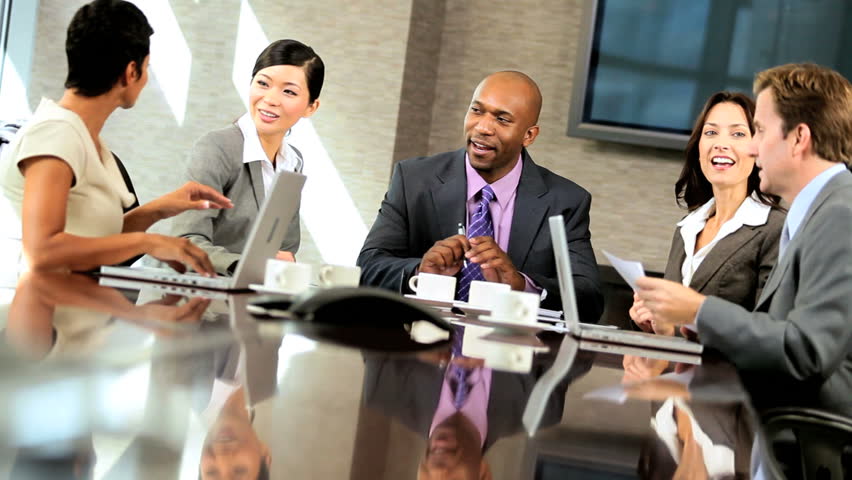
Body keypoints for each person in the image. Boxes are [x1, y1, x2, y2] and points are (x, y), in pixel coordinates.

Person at [636, 63, 852, 415]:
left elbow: (807, 353)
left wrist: (698, 310)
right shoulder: (817, 211)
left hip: (807, 440)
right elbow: (775, 333)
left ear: (799, 138)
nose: (752, 147)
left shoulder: (841, 213)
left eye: (759, 131)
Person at [0, 0, 232, 279]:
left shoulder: (86, 139)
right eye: (146, 68)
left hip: (77, 310)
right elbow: (43, 251)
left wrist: (159, 209)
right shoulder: (55, 134)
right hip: (36, 314)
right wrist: (150, 242)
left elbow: (95, 239)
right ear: (131, 72)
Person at [357, 71, 603, 317]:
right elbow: (367, 267)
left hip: (512, 351)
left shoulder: (565, 201)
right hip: (419, 344)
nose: (483, 127)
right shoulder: (413, 179)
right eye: (476, 111)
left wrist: (522, 286)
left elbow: (588, 299)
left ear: (529, 135)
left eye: (502, 119)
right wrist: (420, 273)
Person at [630, 92, 785, 335]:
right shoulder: (687, 227)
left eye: (738, 134)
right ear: (698, 147)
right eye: (711, 132)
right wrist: (651, 321)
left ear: (758, 148)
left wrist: (678, 325)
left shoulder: (776, 229)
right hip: (676, 370)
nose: (720, 143)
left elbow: (769, 331)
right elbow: (671, 327)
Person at [170, 39, 323, 275]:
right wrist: (244, 265)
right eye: (263, 83)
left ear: (311, 107)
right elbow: (187, 240)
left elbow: (285, 247)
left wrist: (282, 264)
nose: (271, 99)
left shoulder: (293, 161)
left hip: (244, 300)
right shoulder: (217, 147)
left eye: (289, 91)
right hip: (186, 301)